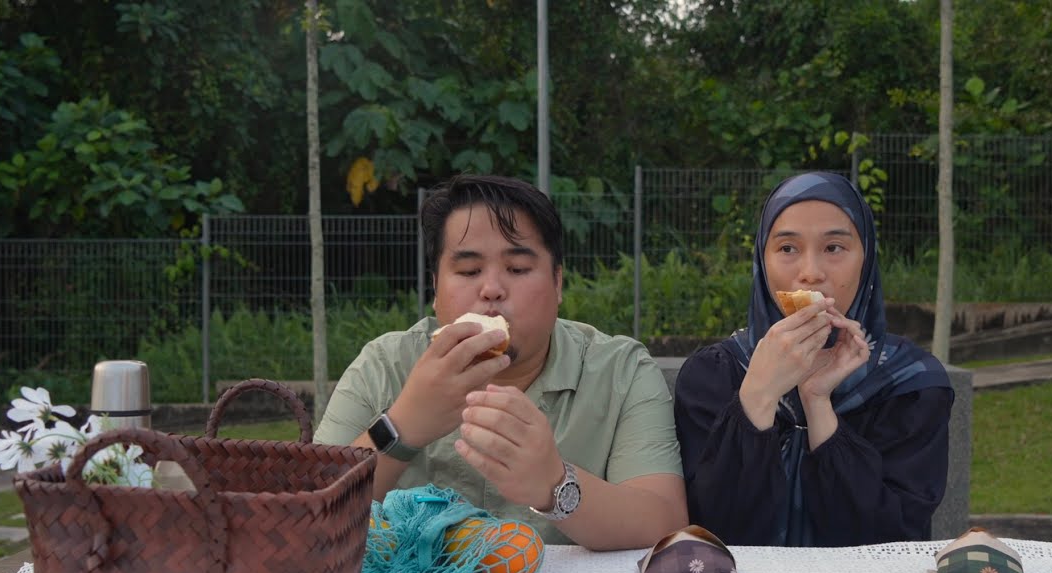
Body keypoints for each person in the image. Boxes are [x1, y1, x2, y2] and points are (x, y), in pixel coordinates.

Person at [314, 174, 687, 550]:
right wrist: (400, 429)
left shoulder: (620, 372)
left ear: (558, 283)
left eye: (518, 269)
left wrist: (555, 485)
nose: (491, 289)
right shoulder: (383, 366)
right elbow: (306, 517)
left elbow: (665, 523)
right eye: (469, 271)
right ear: (435, 289)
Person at [672, 171, 954, 547]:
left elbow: (891, 541)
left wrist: (818, 403)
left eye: (834, 248)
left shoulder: (910, 384)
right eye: (787, 248)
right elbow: (709, 531)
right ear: (762, 260)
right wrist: (758, 393)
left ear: (865, 260)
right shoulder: (712, 376)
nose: (811, 274)